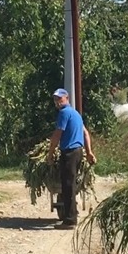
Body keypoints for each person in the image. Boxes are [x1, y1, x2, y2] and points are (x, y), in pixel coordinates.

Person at [47, 88, 96, 229]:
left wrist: (50, 153)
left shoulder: (63, 113)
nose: (57, 102)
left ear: (67, 98)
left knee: (68, 185)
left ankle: (70, 220)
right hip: (78, 152)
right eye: (56, 99)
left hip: (69, 152)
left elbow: (57, 134)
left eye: (60, 98)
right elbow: (85, 133)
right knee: (71, 183)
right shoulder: (76, 114)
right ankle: (71, 214)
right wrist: (89, 152)